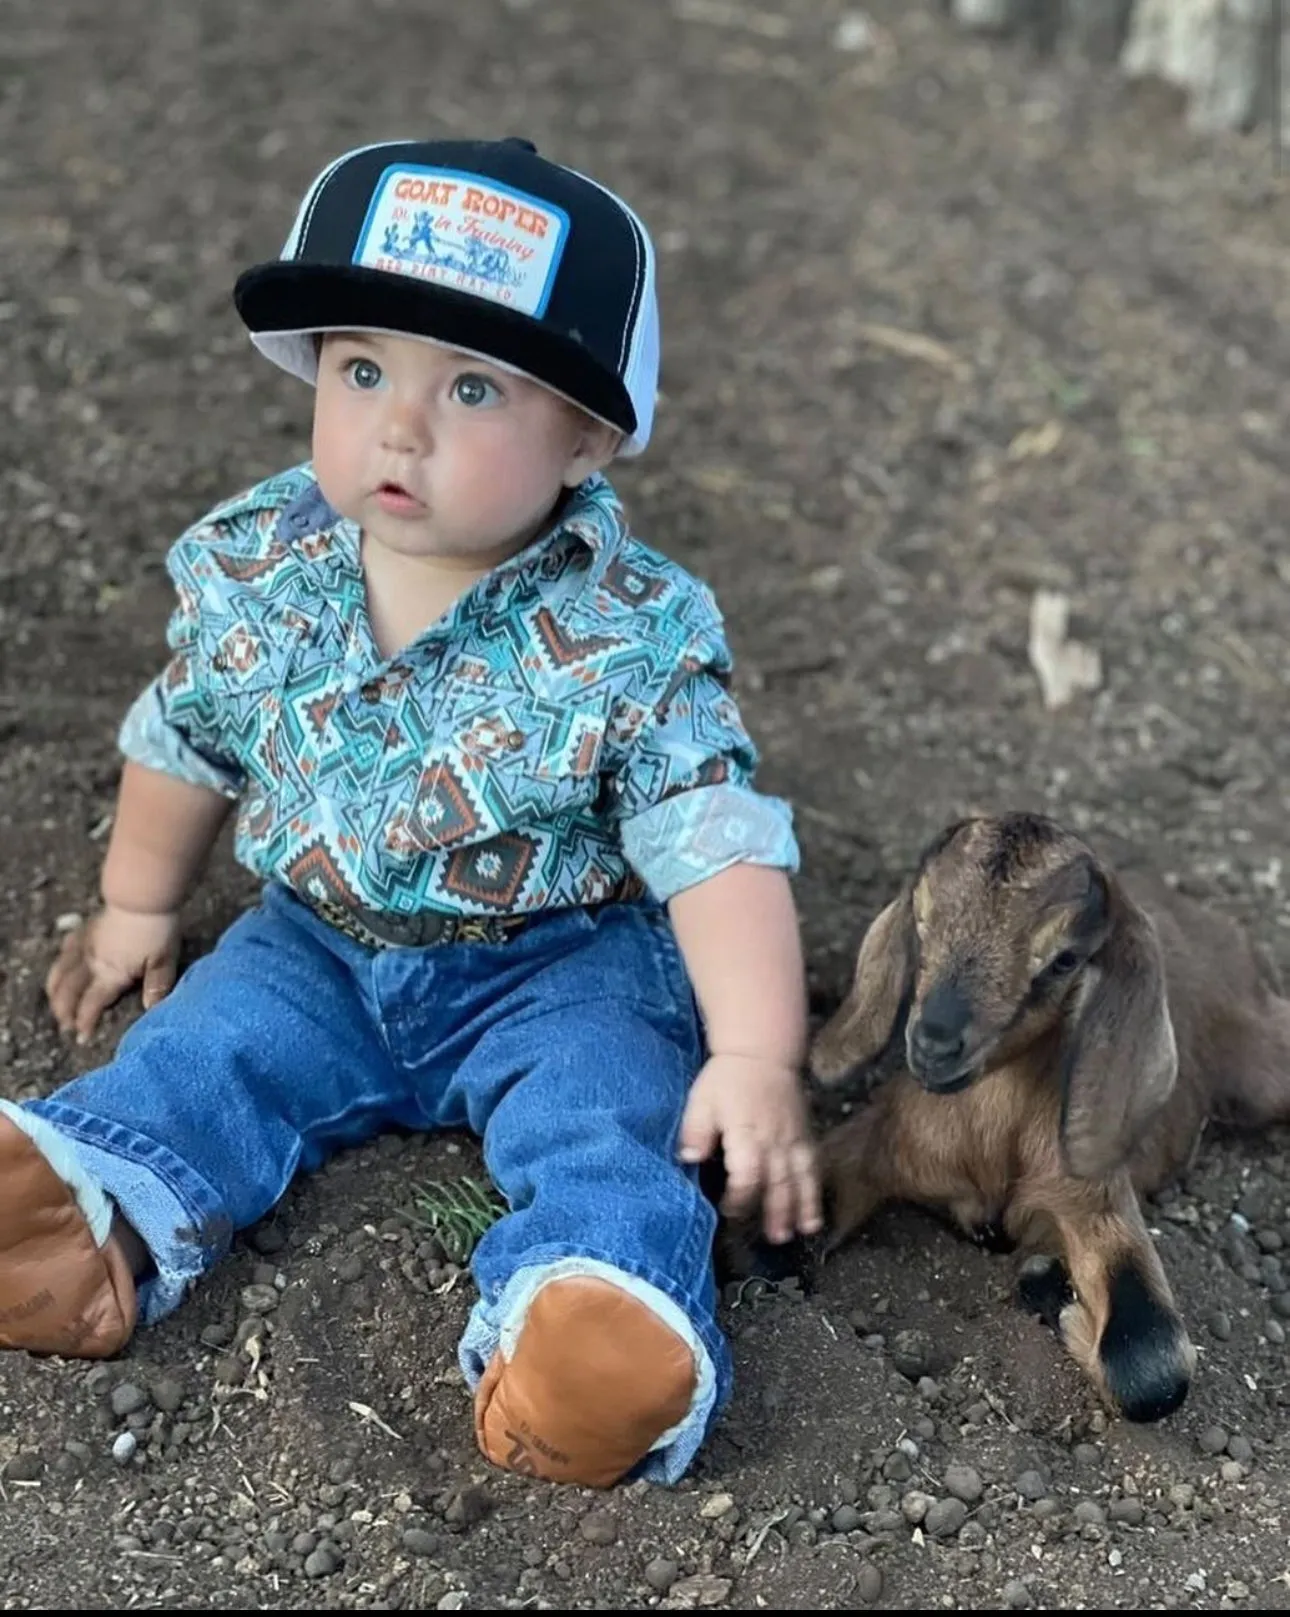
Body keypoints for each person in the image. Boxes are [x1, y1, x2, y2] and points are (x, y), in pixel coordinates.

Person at [0, 137, 820, 1488]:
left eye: (475, 387)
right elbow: (188, 733)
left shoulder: (626, 632)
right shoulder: (264, 565)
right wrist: (137, 905)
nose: (398, 425)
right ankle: (95, 1221)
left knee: (612, 1115)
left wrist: (754, 1055)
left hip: (557, 965)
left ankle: (591, 1327)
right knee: (204, 1056)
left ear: (589, 436)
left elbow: (712, 841)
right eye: (361, 369)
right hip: (315, 940)